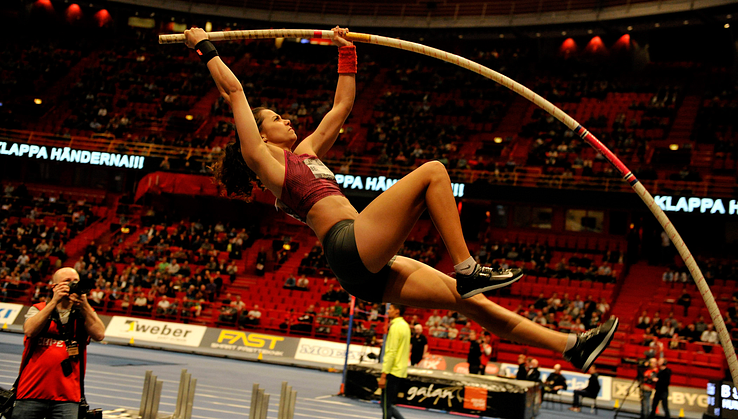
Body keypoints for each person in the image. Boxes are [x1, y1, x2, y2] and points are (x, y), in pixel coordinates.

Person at [186, 26, 617, 372]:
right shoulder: (264, 161)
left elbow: (342, 106)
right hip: (347, 243)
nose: (286, 118)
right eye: (277, 118)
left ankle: (571, 346)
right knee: (433, 172)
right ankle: (467, 267)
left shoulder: (308, 152)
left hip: (364, 261)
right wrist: (204, 46)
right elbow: (235, 92)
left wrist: (345, 51)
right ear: (260, 134)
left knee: (470, 302)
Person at [14, 267, 106, 418]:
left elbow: (100, 334)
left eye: (75, 281)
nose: (72, 285)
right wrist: (54, 301)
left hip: (67, 397)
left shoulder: (83, 313)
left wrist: (84, 305)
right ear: (54, 286)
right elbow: (30, 330)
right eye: (67, 281)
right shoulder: (39, 308)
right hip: (31, 392)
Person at [378, 304, 410, 419]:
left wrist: (384, 374)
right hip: (400, 370)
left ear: (397, 311)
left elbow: (392, 352)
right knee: (387, 404)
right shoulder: (405, 326)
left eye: (390, 309)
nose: (388, 310)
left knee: (386, 405)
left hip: (393, 370)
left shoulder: (396, 327)